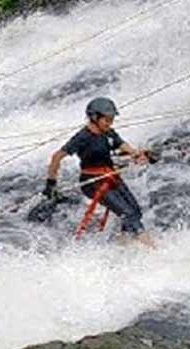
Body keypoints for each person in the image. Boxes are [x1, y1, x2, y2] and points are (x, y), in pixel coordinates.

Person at [44, 97, 155, 247]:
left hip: (109, 176)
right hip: (93, 182)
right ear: (95, 117)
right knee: (127, 213)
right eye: (107, 120)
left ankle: (124, 244)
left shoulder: (108, 132)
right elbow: (56, 157)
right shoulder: (82, 137)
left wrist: (136, 153)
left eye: (112, 119)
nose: (110, 123)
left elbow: (120, 144)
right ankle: (152, 248)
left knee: (135, 212)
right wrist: (51, 183)